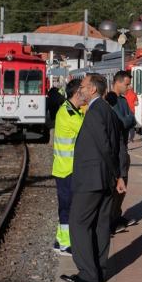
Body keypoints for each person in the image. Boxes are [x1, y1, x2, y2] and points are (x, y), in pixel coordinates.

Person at [61, 73, 126, 282]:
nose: (80, 89)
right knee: (100, 225)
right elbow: (118, 144)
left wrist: (117, 175)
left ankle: (88, 274)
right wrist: (117, 175)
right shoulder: (108, 110)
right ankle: (98, 270)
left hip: (92, 179)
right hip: (104, 179)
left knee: (78, 223)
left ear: (93, 90)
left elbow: (106, 147)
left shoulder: (96, 111)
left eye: (83, 85)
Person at [51, 78, 85, 256]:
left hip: (66, 167)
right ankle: (65, 244)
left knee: (66, 205)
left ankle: (60, 241)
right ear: (76, 93)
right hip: (66, 169)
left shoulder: (73, 111)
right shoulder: (69, 114)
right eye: (83, 91)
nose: (85, 94)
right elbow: (86, 130)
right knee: (67, 207)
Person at [107, 71, 136, 232]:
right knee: (117, 184)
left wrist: (127, 119)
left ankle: (116, 216)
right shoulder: (110, 100)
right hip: (116, 149)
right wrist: (127, 119)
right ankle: (111, 220)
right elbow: (121, 122)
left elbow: (132, 120)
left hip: (123, 148)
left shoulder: (123, 101)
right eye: (126, 84)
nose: (128, 87)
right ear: (117, 83)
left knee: (124, 183)